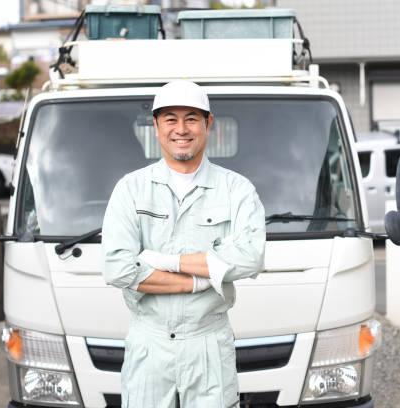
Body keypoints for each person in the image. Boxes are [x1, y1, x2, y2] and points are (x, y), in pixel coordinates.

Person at [102, 80, 266, 408]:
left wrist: (164, 262)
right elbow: (118, 269)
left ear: (209, 124)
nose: (181, 129)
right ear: (156, 126)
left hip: (208, 342)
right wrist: (204, 278)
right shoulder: (130, 189)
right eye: (170, 119)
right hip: (150, 343)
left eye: (191, 118)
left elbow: (251, 258)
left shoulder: (237, 190)